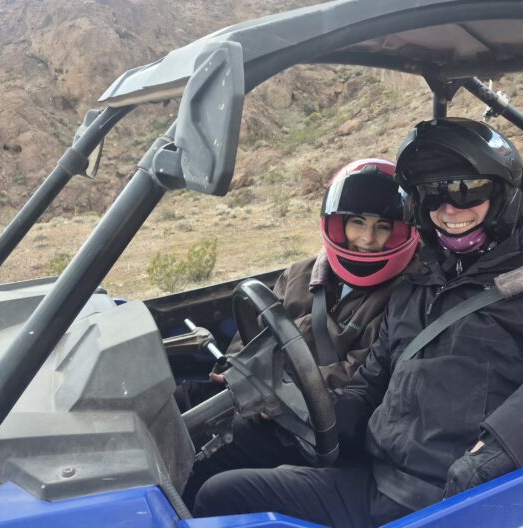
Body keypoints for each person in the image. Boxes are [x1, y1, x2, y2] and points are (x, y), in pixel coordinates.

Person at [192, 118, 523, 527]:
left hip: (462, 497)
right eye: (432, 196)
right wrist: (326, 421)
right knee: (222, 495)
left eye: (467, 194)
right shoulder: (424, 277)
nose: (449, 211)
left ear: (504, 195)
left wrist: (502, 444)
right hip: (378, 481)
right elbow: (369, 383)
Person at [180, 158, 419, 503]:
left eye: (382, 226)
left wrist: (276, 391)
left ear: (399, 231)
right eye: (356, 223)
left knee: (214, 453)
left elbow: (359, 378)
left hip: (315, 422)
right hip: (261, 395)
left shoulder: (404, 295)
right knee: (183, 399)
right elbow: (252, 335)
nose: (367, 238)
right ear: (338, 224)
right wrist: (235, 368)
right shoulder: (300, 274)